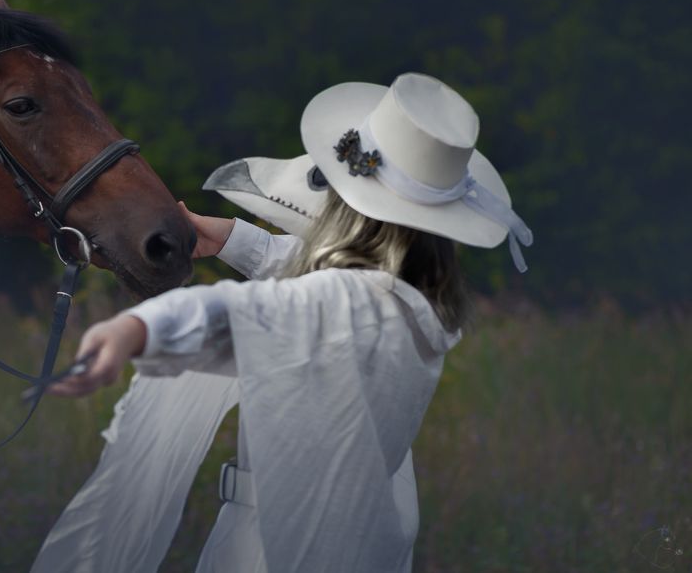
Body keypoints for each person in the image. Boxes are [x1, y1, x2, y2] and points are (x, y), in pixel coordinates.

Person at [33, 73, 533, 573]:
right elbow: (314, 279)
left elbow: (252, 314)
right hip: (366, 540)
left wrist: (139, 329)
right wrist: (232, 239)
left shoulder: (346, 304)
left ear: (349, 212)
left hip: (272, 548)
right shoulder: (415, 302)